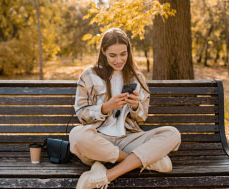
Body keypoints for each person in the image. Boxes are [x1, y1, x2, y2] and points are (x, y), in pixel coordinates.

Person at [70, 28, 181, 189]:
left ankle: (107, 175)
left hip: (129, 138)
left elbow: (142, 118)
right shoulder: (88, 75)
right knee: (76, 135)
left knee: (172, 134)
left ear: (129, 51)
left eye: (123, 54)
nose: (119, 60)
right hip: (99, 141)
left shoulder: (136, 77)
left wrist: (136, 106)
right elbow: (81, 114)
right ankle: (144, 161)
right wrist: (106, 107)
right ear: (103, 51)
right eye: (113, 55)